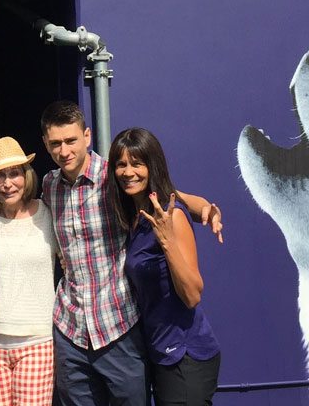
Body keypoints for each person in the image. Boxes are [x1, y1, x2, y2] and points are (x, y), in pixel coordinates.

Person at [39, 100, 222, 406]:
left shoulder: (116, 176)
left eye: (71, 140)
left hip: (117, 326)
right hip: (70, 328)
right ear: (46, 144)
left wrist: (204, 207)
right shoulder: (49, 185)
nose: (64, 151)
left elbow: (166, 192)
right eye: (55, 143)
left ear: (86, 136)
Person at [107, 128, 220, 406]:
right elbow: (173, 192)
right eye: (121, 164)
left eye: (137, 163)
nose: (128, 172)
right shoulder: (137, 218)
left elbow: (192, 294)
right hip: (160, 353)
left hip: (185, 356)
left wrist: (168, 243)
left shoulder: (173, 217)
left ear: (152, 165)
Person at [0, 137, 57, 406]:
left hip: (37, 340)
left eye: (14, 173)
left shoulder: (49, 212)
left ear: (26, 175)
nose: (7, 183)